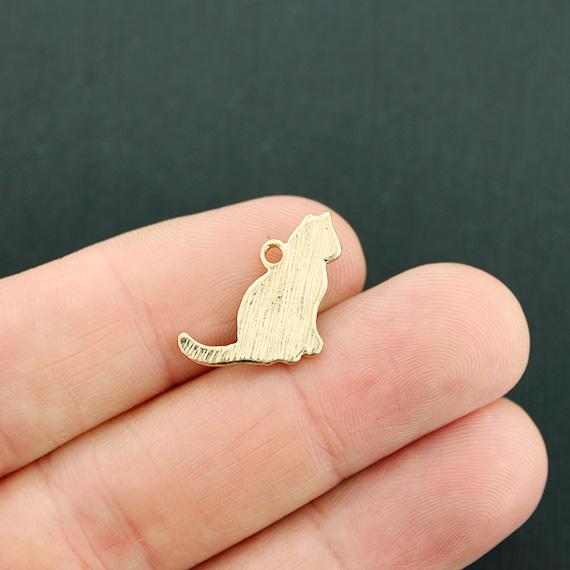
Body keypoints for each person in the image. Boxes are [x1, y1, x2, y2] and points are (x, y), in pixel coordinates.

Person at [0, 196, 547, 569]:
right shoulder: (301, 270)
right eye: (326, 245)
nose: (331, 254)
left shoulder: (306, 269)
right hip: (265, 344)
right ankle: (282, 345)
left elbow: (305, 307)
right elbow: (300, 306)